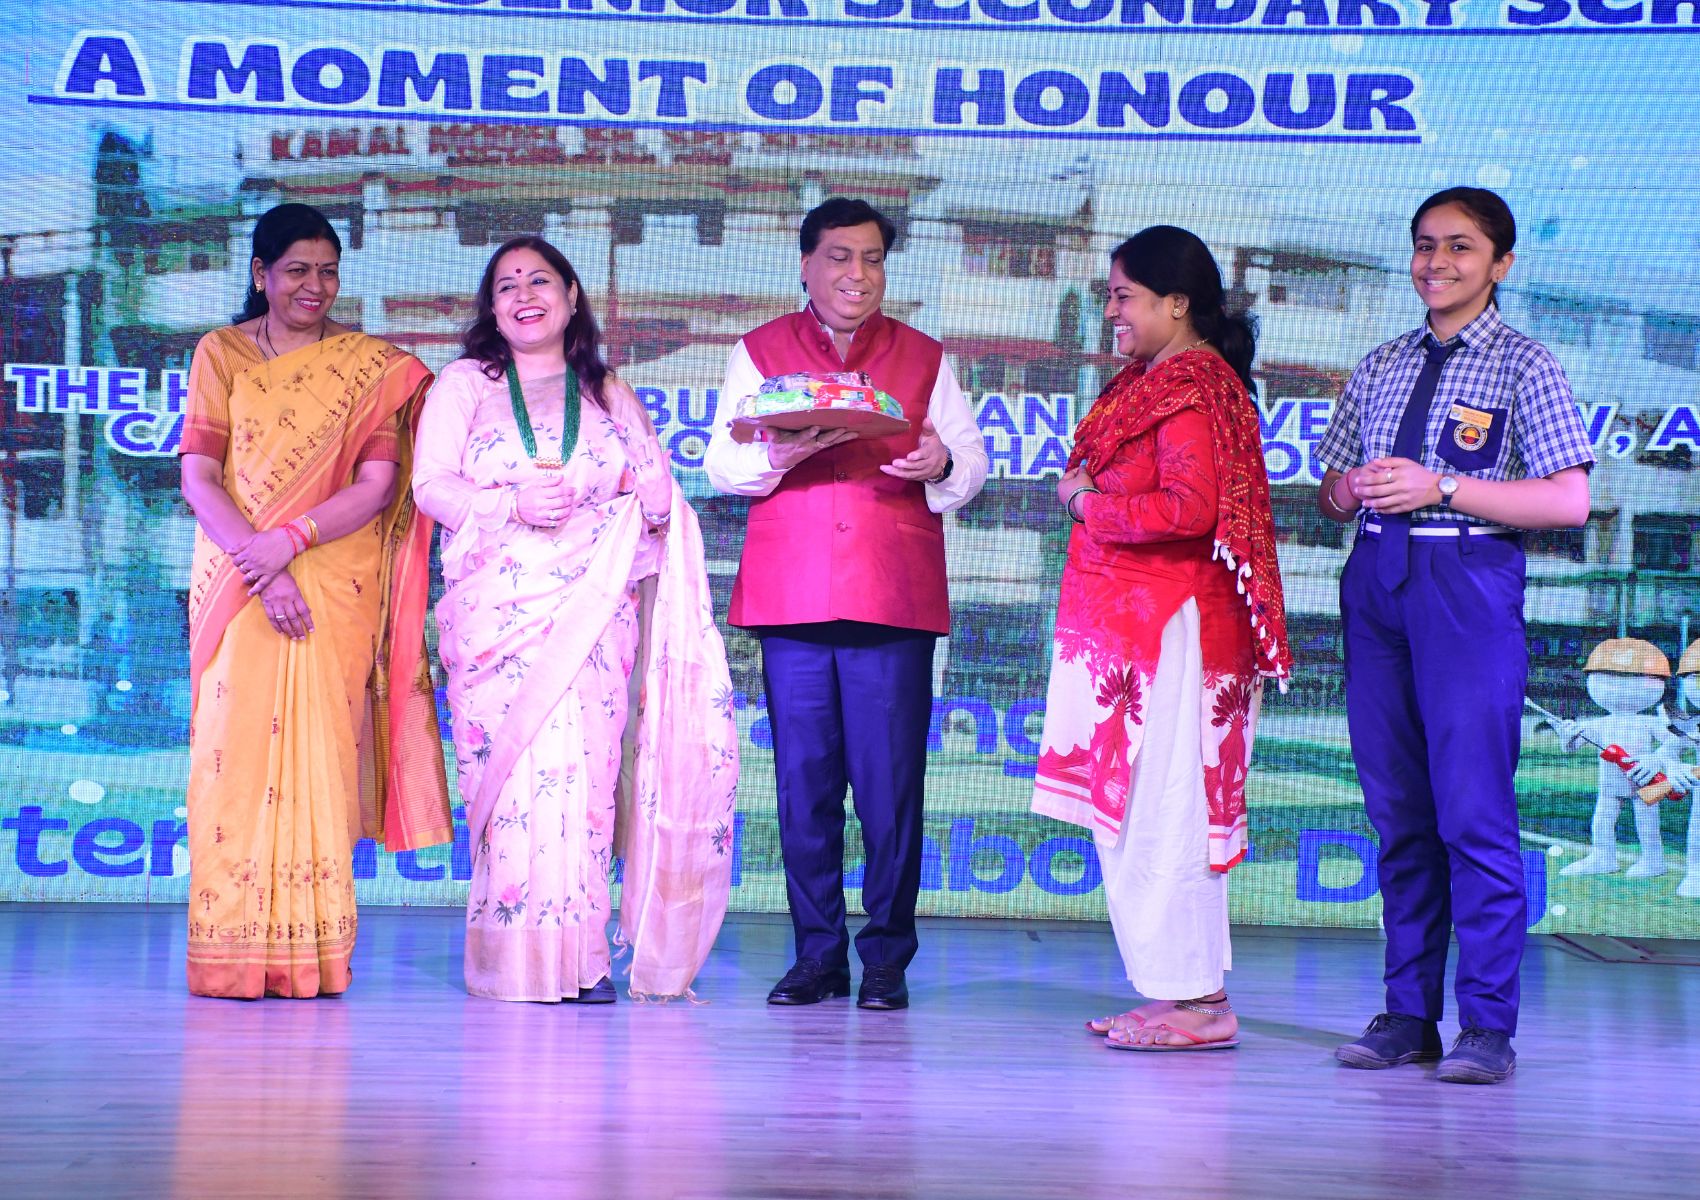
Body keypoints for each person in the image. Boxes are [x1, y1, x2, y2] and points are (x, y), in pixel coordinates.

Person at [413, 235, 737, 1003]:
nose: (524, 295)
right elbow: (430, 486)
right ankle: (512, 960)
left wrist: (657, 504)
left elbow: (653, 498)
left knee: (584, 784)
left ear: (571, 296)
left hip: (593, 617)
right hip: (496, 618)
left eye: (540, 281)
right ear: (492, 309)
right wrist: (509, 503)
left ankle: (584, 962)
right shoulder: (465, 383)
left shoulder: (607, 391)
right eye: (507, 286)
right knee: (512, 785)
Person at [1318, 187, 1594, 1083]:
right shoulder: (1381, 362)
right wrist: (1349, 489)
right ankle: (1408, 1014)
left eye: (1461, 247)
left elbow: (1569, 499)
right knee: (1398, 813)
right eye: (1426, 245)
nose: (1437, 262)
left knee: (1473, 812)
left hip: (1466, 579)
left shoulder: (1525, 365)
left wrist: (1441, 487)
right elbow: (1331, 488)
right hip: (1376, 578)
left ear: (1501, 264)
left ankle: (1487, 1026)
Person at [704, 197, 988, 1010]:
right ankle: (818, 956)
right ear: (806, 265)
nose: (856, 273)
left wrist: (940, 463)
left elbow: (970, 465)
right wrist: (778, 453)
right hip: (792, 595)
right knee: (805, 788)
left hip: (892, 596)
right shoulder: (758, 352)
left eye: (871, 258)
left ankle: (887, 960)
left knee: (891, 791)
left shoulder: (925, 357)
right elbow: (723, 465)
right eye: (838, 256)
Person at [179, 202, 452, 999]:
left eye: (328, 271)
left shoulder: (369, 368)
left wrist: (291, 540)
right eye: (297, 270)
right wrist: (262, 565)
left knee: (322, 762)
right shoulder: (223, 352)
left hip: (333, 580)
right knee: (230, 760)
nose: (315, 286)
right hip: (240, 582)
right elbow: (199, 476)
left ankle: (312, 955)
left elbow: (378, 484)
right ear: (260, 273)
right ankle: (230, 950)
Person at [1032, 226, 1292, 1052]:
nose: (1111, 310)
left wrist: (1086, 504)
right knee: (1141, 814)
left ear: (1176, 303)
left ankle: (1201, 1003)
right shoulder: (1152, 382)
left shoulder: (1193, 387)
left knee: (1165, 813)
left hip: (1172, 632)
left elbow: (1189, 509)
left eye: (1124, 296)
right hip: (1135, 627)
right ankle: (1185, 993)